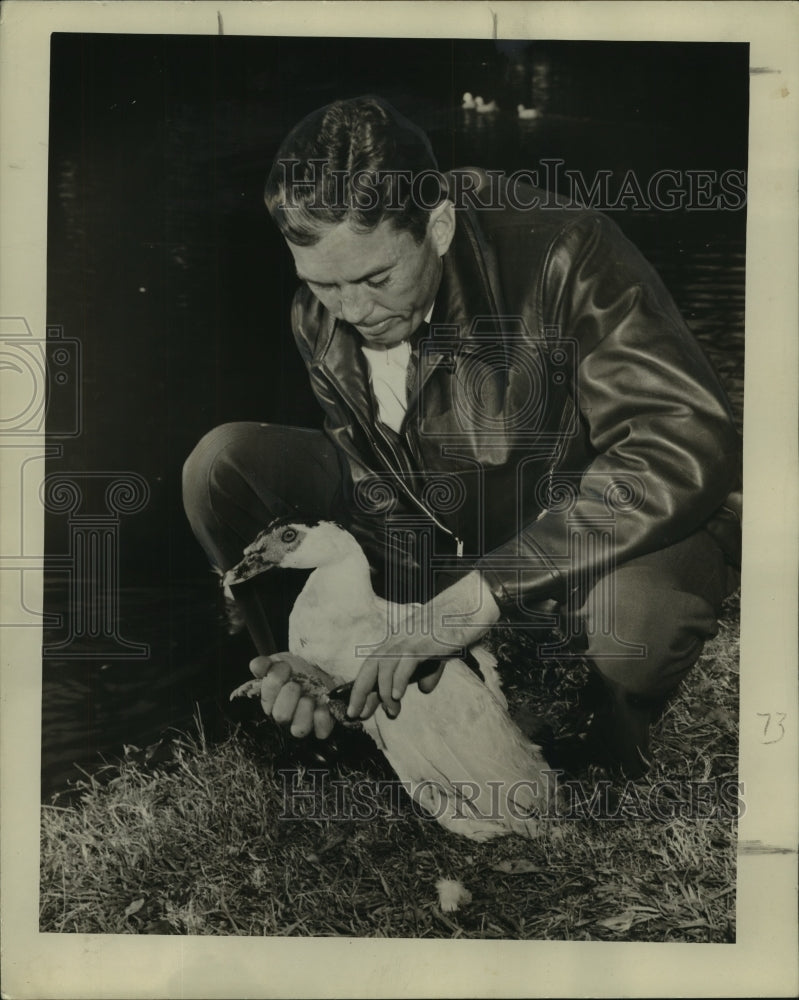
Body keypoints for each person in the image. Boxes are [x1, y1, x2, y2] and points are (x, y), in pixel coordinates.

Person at [182, 95, 742, 778]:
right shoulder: (321, 310)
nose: (351, 310)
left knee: (628, 641)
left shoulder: (564, 249)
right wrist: (351, 636)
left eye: (376, 278)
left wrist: (481, 595)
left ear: (439, 225)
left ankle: (587, 750)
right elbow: (380, 495)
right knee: (223, 465)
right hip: (441, 519)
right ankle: (322, 696)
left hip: (590, 529)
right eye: (321, 285)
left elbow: (679, 440)